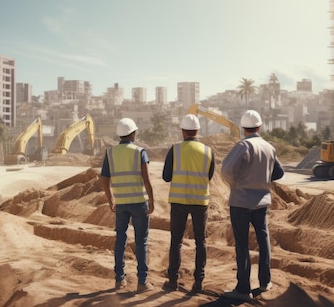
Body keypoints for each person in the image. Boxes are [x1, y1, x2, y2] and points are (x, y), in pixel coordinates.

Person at [220, 110, 284, 301]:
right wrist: (263, 179)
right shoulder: (269, 147)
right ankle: (265, 282)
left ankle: (243, 289)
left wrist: (236, 183)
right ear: (260, 126)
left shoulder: (244, 145)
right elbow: (278, 173)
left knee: (242, 245)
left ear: (242, 127)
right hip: (262, 201)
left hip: (240, 201)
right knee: (263, 241)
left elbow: (226, 169)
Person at [99, 118, 155, 293]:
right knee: (141, 242)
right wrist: (152, 201)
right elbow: (146, 179)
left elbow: (104, 179)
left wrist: (110, 200)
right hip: (139, 202)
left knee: (120, 241)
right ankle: (142, 282)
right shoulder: (139, 152)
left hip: (121, 203)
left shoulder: (110, 153)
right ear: (133, 133)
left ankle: (119, 280)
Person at [161, 114, 215, 294]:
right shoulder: (208, 151)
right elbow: (209, 175)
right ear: (197, 131)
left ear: (183, 132)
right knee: (201, 241)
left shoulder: (175, 150)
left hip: (178, 201)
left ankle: (172, 280)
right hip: (200, 201)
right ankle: (199, 281)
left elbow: (166, 176)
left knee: (176, 241)